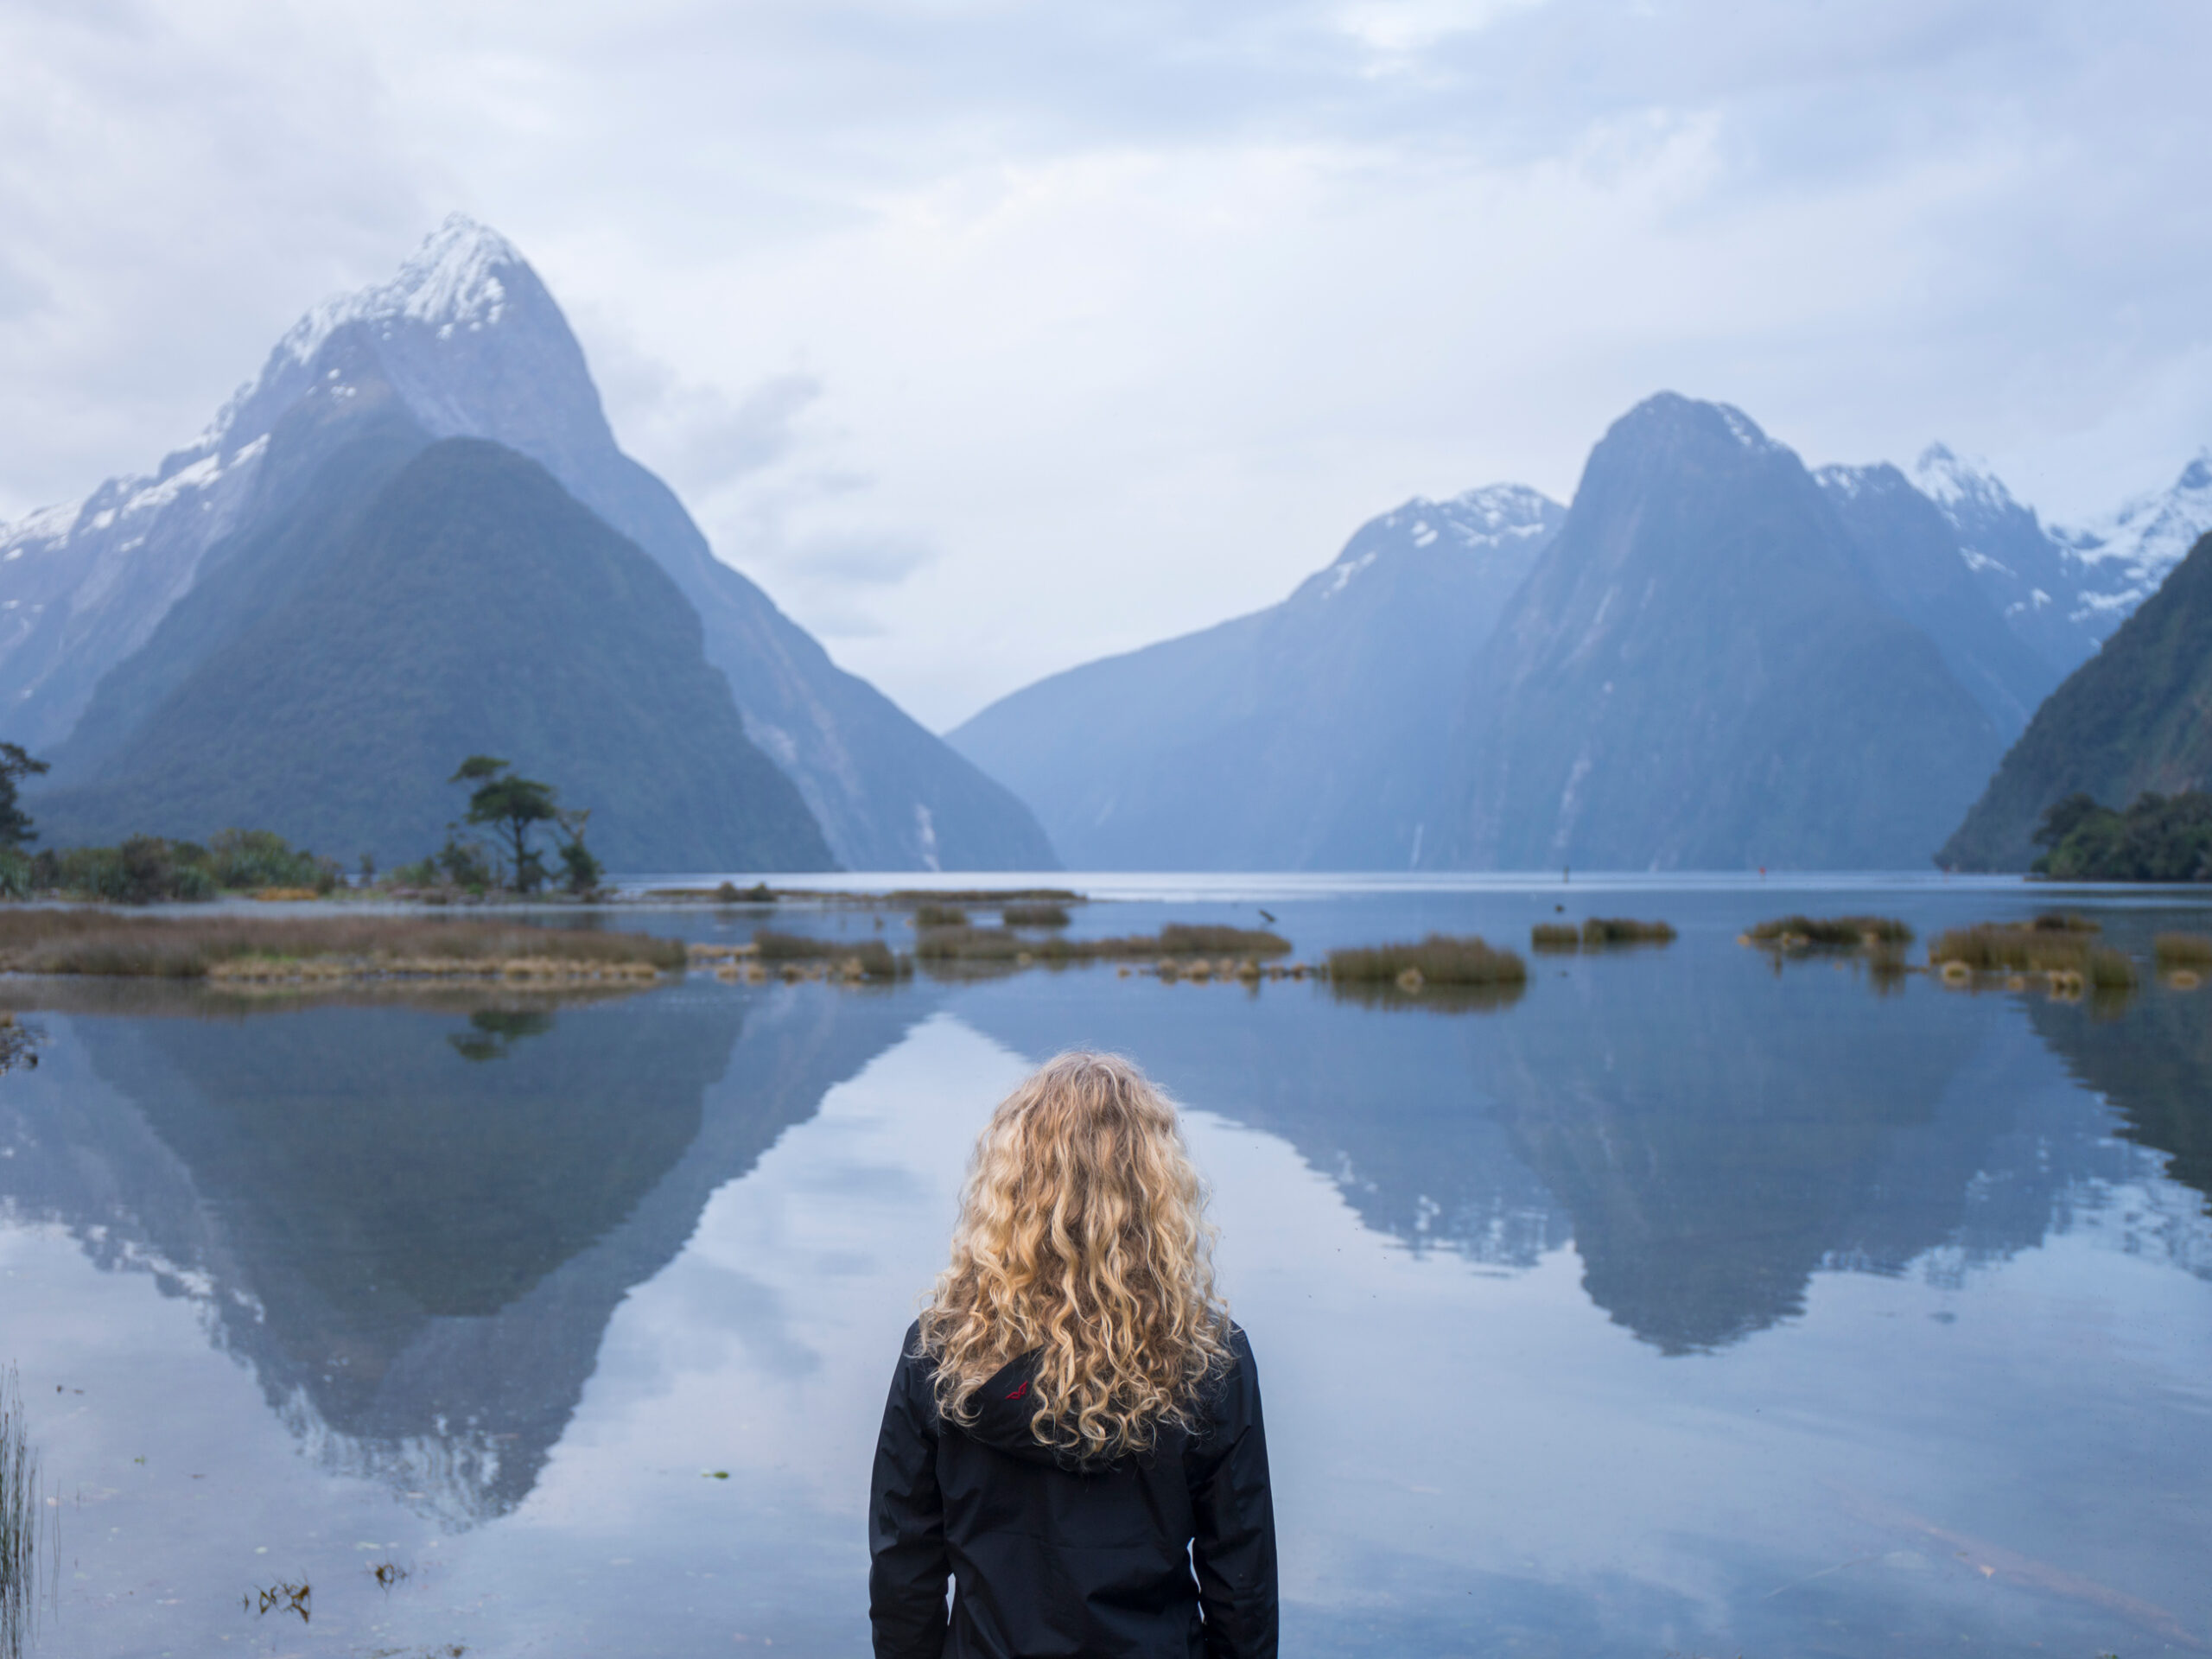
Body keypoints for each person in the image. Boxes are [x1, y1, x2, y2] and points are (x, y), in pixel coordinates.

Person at [868, 1050, 1278, 1659]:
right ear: (1153, 1191)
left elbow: (905, 1573)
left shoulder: (942, 1354)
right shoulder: (1208, 1361)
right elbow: (1240, 1588)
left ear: (1009, 1188)